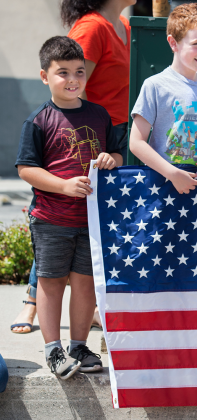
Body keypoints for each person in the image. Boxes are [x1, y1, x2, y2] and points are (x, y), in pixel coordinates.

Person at [10, 0, 135, 333]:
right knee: (62, 221)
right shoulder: (93, 28)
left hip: (115, 136)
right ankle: (32, 304)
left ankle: (86, 313)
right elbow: (68, 90)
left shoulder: (126, 26)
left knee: (88, 226)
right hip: (81, 136)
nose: (72, 76)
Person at [15, 36, 123, 379]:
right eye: (63, 73)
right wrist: (62, 185)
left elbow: (119, 154)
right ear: (45, 76)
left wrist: (111, 158)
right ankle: (53, 349)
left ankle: (79, 345)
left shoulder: (99, 115)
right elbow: (26, 168)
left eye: (79, 71)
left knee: (86, 283)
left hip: (91, 219)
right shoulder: (39, 120)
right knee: (50, 282)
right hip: (51, 220)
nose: (73, 79)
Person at [129, 3, 197, 193]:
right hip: (163, 185)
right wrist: (172, 174)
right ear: (173, 43)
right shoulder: (155, 85)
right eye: (196, 44)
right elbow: (136, 143)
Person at [64, 0, 136, 159]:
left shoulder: (125, 25)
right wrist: (91, 140)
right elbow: (71, 88)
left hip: (125, 132)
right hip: (98, 135)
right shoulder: (91, 28)